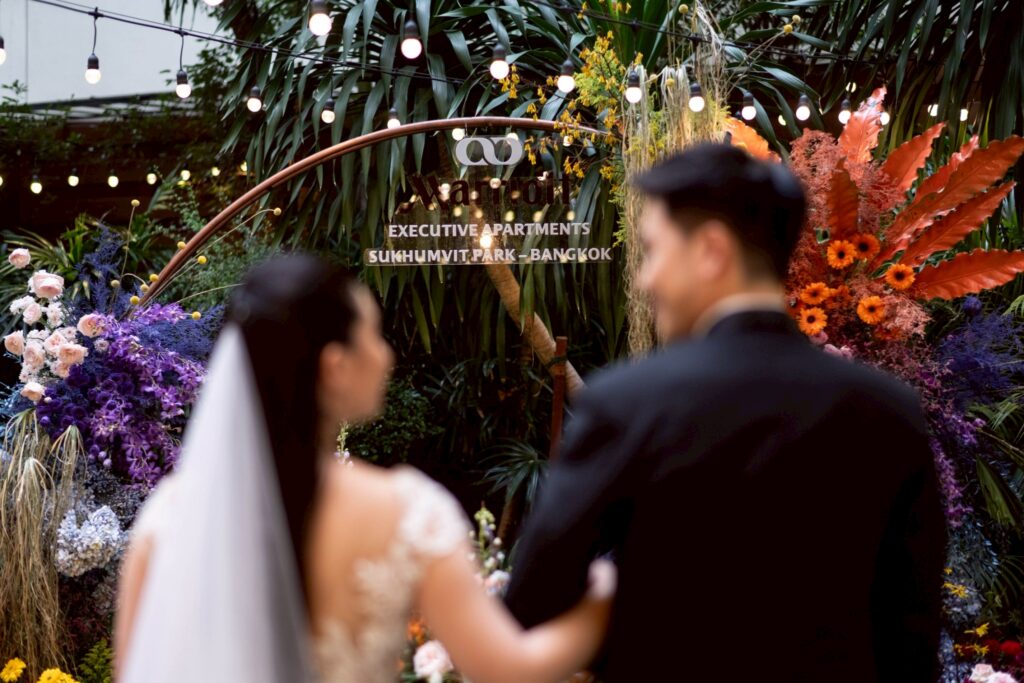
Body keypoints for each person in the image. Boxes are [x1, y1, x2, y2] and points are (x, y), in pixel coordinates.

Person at [505, 143, 947, 681]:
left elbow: (533, 603)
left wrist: (614, 599)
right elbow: (911, 638)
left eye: (654, 252)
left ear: (712, 251)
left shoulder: (627, 403)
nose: (645, 280)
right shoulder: (888, 413)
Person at [115, 254, 614, 683]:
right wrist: (603, 597)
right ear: (335, 366)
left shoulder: (169, 516)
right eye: (373, 335)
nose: (386, 355)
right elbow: (510, 669)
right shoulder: (407, 511)